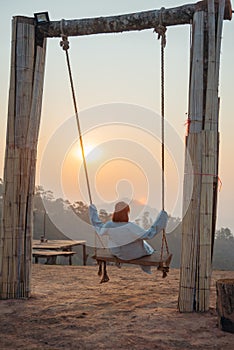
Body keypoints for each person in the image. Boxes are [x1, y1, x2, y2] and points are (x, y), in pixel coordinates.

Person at [89, 201, 168, 274]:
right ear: (127, 213)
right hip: (134, 254)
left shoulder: (109, 225)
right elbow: (149, 235)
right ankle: (147, 268)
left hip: (117, 253)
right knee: (145, 245)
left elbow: (99, 228)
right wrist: (162, 218)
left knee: (139, 243)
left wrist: (93, 211)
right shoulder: (130, 227)